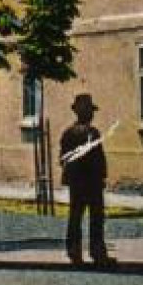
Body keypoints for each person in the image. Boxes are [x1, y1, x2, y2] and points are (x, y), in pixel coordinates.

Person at [59, 92, 114, 268]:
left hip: (76, 182)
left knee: (75, 216)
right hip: (92, 182)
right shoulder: (92, 132)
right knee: (96, 217)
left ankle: (74, 251)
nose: (92, 114)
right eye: (90, 111)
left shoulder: (68, 133)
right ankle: (97, 252)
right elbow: (98, 158)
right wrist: (102, 177)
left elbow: (63, 158)